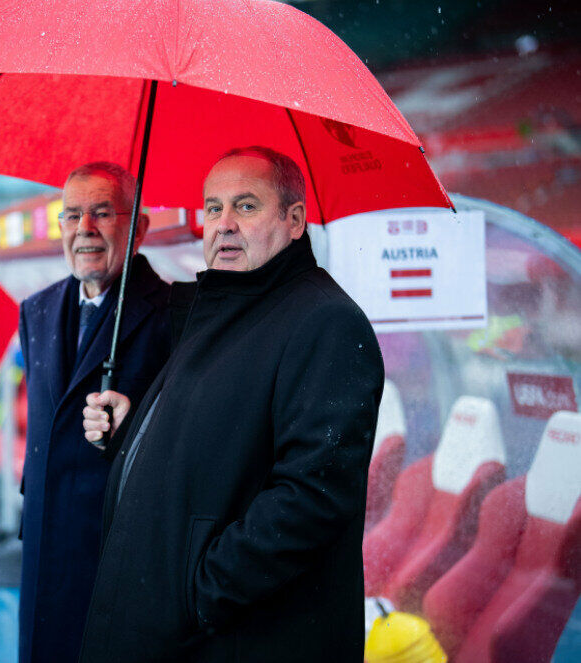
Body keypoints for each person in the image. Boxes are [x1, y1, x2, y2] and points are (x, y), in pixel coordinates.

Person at [80, 147, 384, 662]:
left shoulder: (326, 322)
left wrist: (201, 591)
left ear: (294, 220)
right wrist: (133, 435)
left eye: (245, 206)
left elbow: (312, 497)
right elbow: (216, 446)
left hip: (236, 636)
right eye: (212, 208)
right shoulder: (220, 308)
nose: (223, 225)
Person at [17, 162, 172, 663]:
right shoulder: (35, 312)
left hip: (114, 548)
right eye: (71, 215)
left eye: (103, 213)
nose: (84, 229)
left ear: (140, 228)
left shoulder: (173, 314)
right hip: (44, 540)